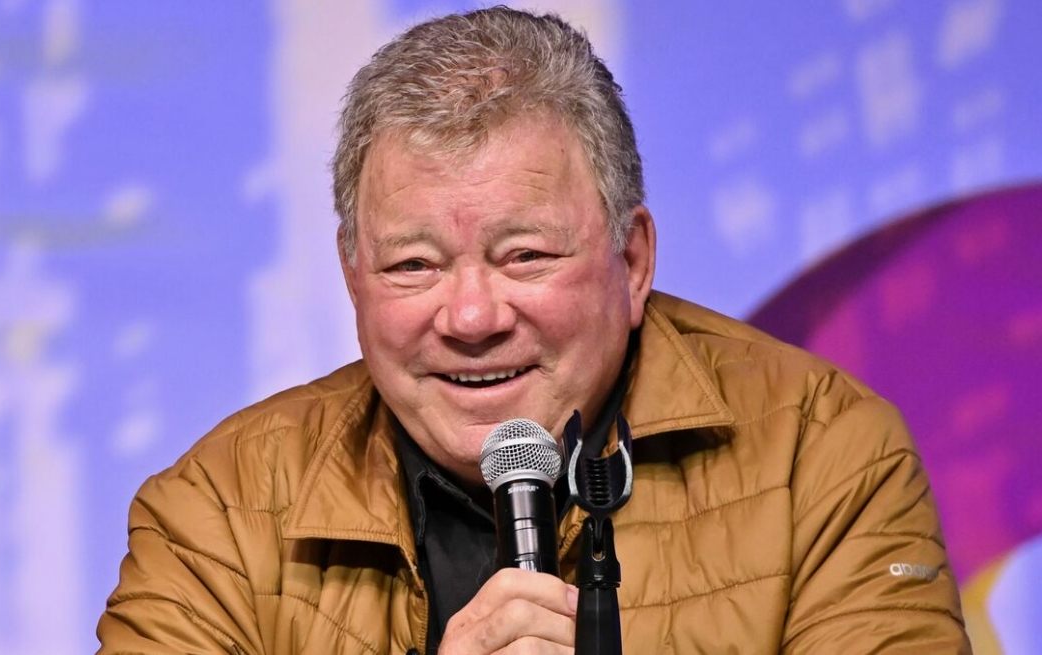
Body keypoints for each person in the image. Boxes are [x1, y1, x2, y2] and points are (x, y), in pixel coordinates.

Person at [97, 7, 970, 654]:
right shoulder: (216, 513)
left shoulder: (820, 456)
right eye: (413, 265)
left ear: (631, 259)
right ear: (352, 273)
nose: (472, 318)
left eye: (523, 256)